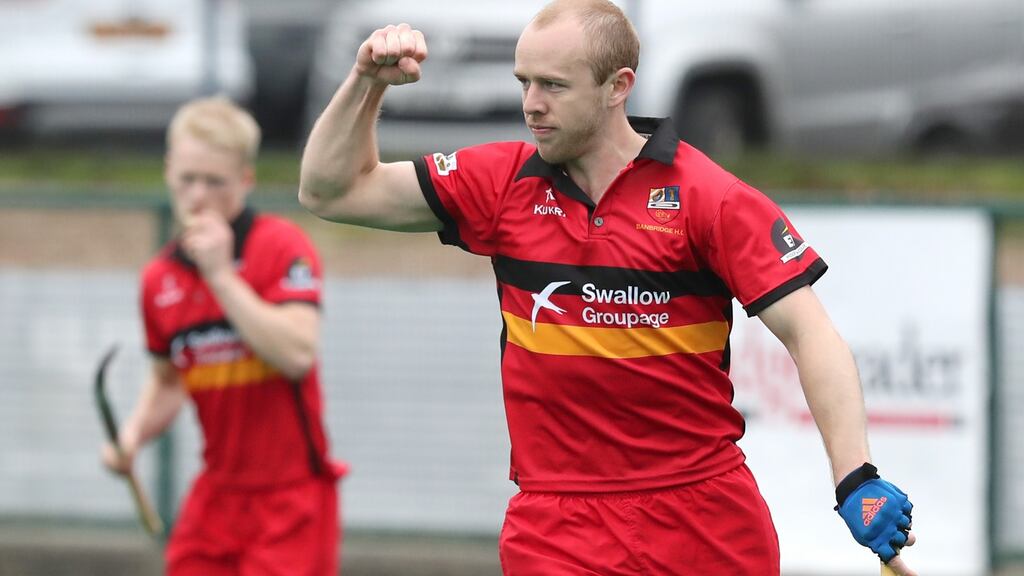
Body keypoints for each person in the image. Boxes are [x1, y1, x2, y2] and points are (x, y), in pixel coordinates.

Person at [298, 1, 915, 574]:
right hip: (557, 526)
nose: (531, 104)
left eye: (554, 86)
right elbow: (330, 190)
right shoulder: (500, 184)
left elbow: (811, 334)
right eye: (524, 82)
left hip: (702, 520)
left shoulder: (710, 198)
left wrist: (855, 476)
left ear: (618, 86)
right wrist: (365, 81)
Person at [101, 96, 347, 576]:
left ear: (245, 180)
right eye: (187, 179)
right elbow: (169, 382)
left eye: (215, 182)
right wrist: (131, 436)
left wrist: (220, 276)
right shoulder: (158, 279)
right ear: (169, 170)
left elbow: (297, 354)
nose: (197, 196)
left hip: (292, 497)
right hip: (216, 496)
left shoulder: (280, 246)